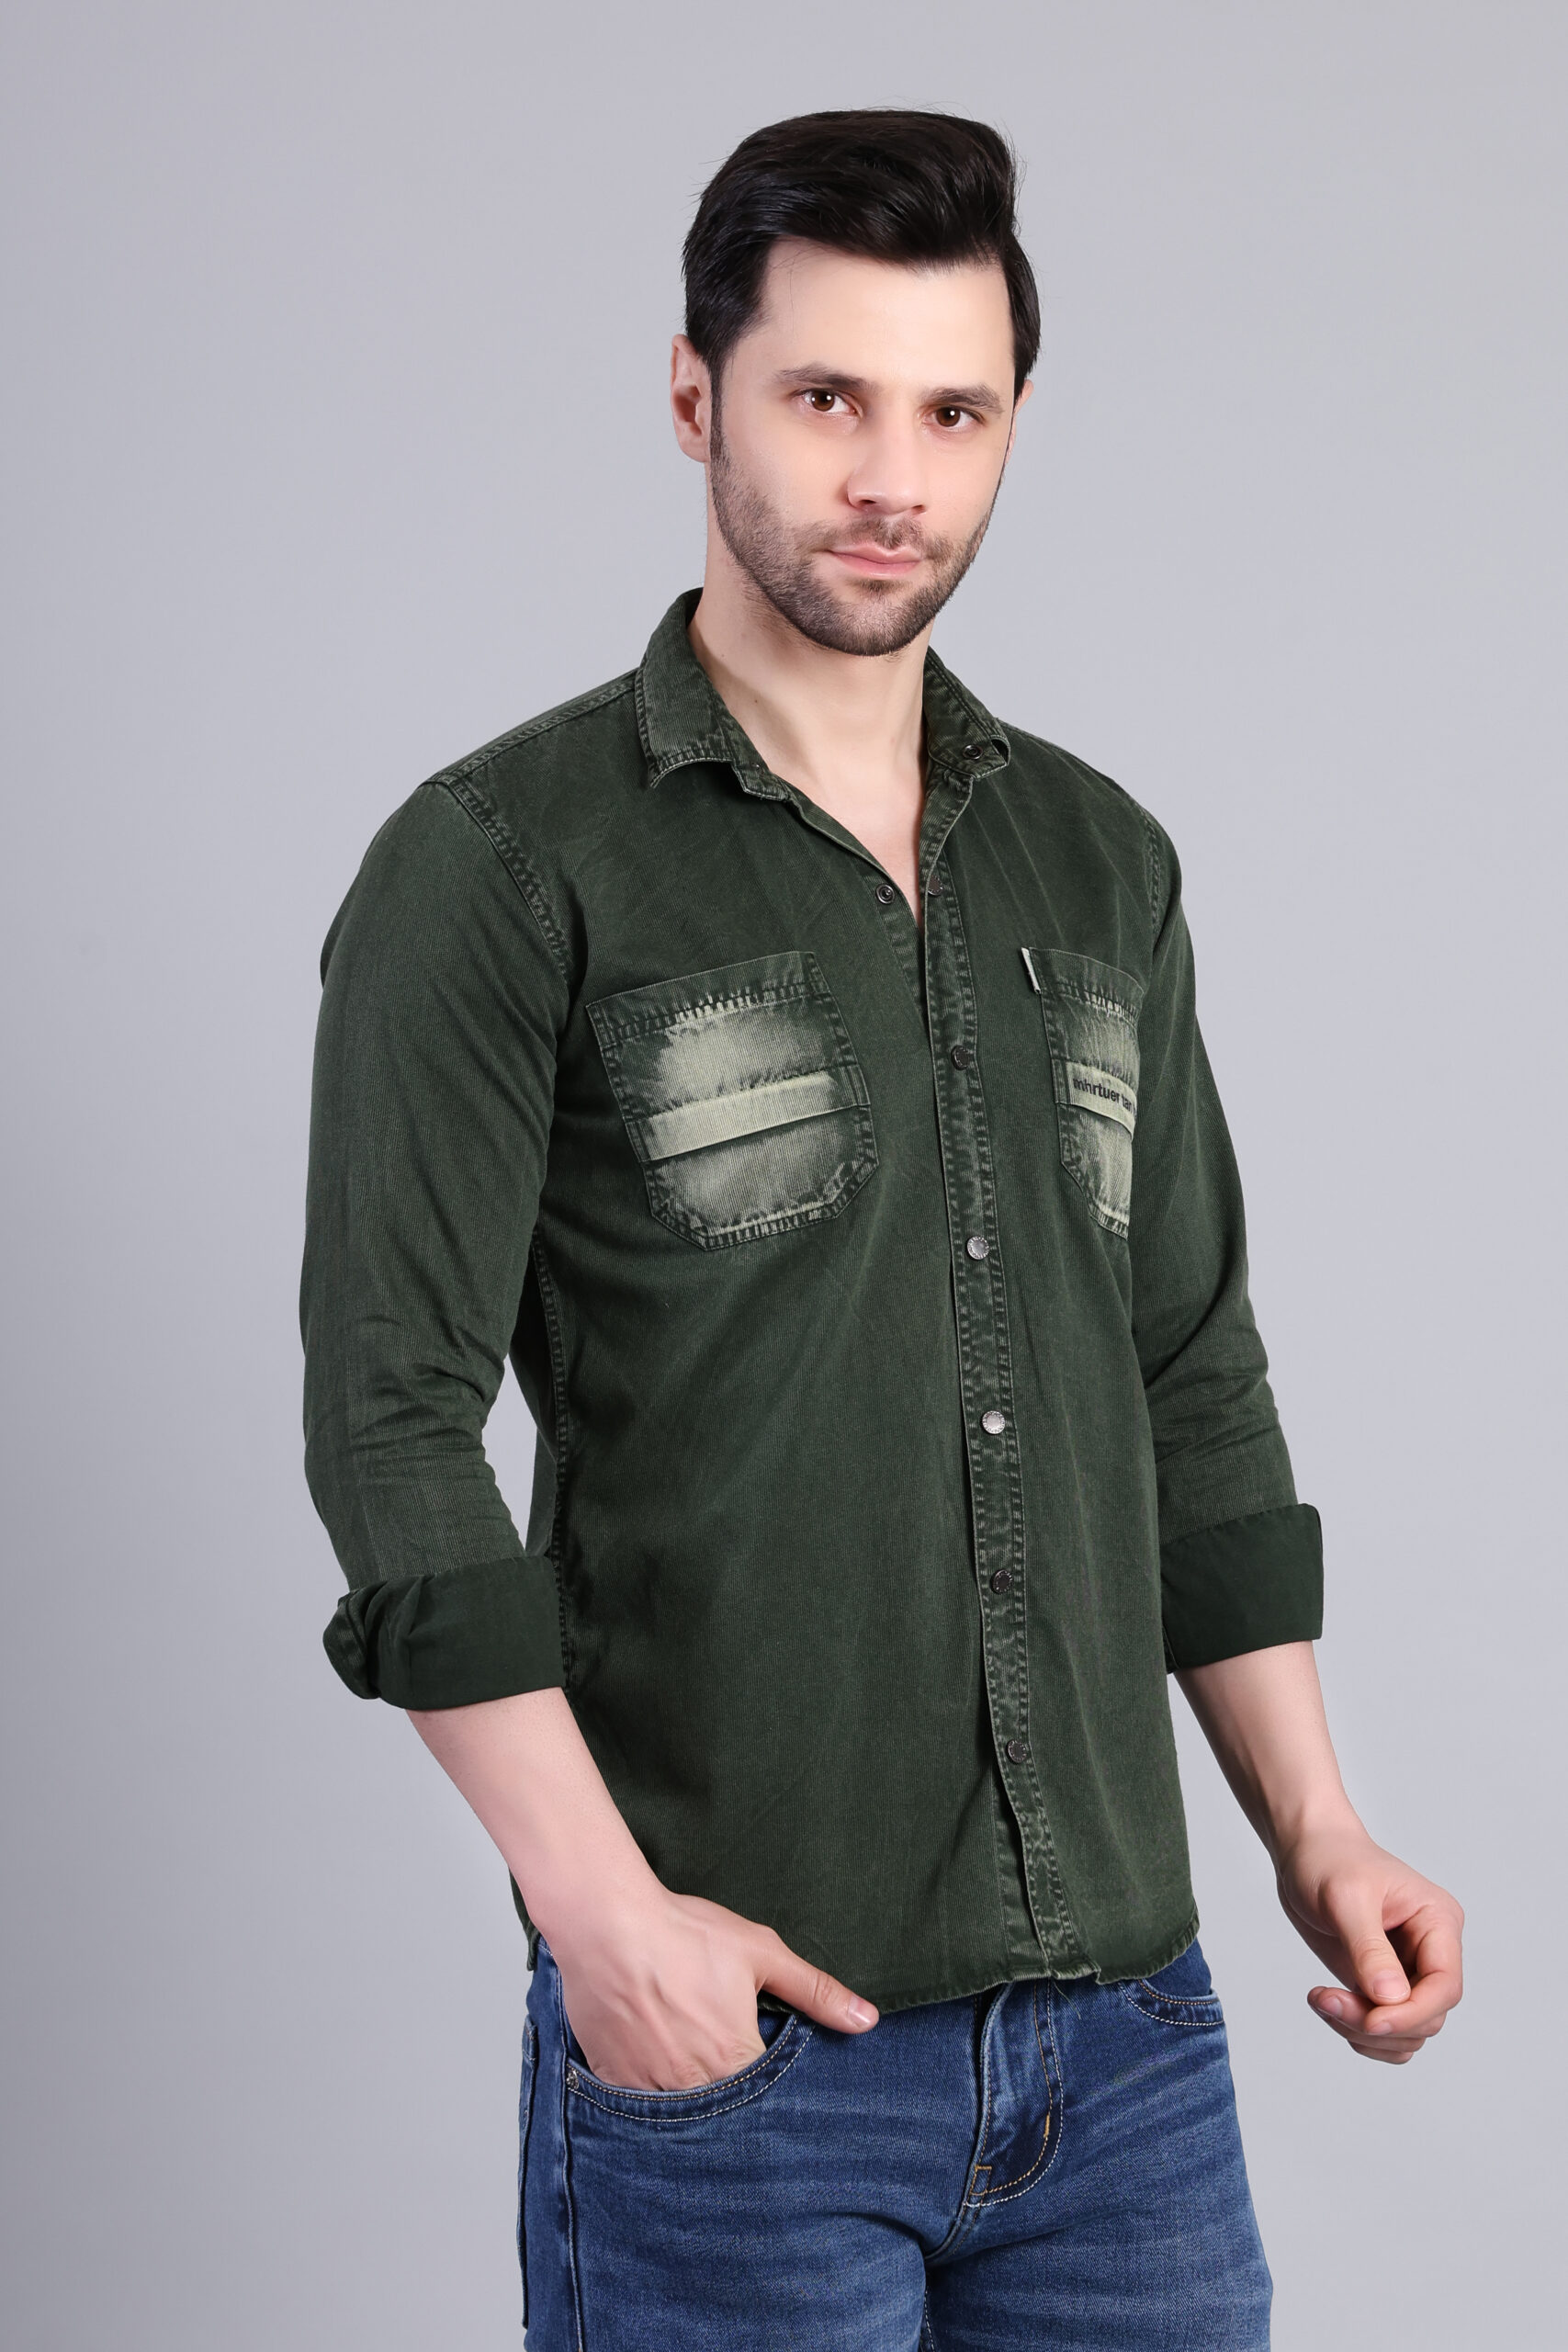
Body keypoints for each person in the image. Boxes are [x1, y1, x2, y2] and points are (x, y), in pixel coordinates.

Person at [300, 109, 1463, 2351]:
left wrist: (1314, 1825)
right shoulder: (505, 861)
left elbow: (1187, 1373)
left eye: (953, 412)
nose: (889, 477)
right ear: (693, 396)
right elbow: (393, 1415)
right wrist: (602, 1919)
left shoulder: (1098, 862)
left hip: (1126, 2048)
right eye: (824, 395)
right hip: (738, 2051)